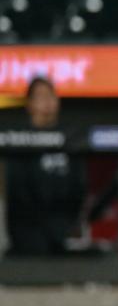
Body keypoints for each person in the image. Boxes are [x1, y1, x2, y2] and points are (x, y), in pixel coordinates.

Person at [5, 77, 86, 256]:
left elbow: (78, 189)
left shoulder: (71, 140)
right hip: (28, 235)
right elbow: (17, 193)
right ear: (30, 104)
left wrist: (66, 226)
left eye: (51, 96)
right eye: (41, 97)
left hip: (63, 231)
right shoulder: (18, 142)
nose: (47, 102)